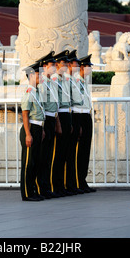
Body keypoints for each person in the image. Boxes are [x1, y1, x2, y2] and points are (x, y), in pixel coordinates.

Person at [36, 51, 62, 199]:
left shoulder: (52, 83)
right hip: (44, 121)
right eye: (52, 65)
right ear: (45, 66)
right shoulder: (41, 85)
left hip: (52, 119)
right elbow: (41, 106)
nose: (54, 67)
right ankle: (42, 187)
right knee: (43, 156)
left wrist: (57, 123)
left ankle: (47, 186)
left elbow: (55, 105)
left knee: (49, 156)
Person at [19, 61, 45, 201]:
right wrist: (28, 134)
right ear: (31, 76)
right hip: (30, 129)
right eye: (39, 74)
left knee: (35, 162)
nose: (41, 77)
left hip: (37, 128)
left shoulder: (36, 92)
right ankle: (27, 193)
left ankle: (33, 190)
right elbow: (25, 114)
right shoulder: (29, 92)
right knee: (28, 163)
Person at [50, 50, 73, 197]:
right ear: (57, 64)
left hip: (66, 115)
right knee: (56, 154)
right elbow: (55, 104)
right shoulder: (53, 80)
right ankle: (54, 185)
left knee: (64, 153)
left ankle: (62, 185)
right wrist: (58, 123)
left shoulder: (64, 80)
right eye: (64, 63)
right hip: (58, 116)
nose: (66, 65)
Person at [73, 54, 96, 193]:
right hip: (79, 117)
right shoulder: (75, 82)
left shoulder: (83, 82)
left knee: (85, 150)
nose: (90, 69)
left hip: (86, 116)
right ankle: (77, 181)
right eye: (88, 66)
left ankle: (82, 180)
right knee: (79, 152)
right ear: (82, 67)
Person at [65, 49, 83, 195]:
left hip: (73, 116)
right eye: (76, 63)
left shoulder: (72, 80)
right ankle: (65, 185)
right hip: (67, 117)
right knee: (66, 154)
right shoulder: (64, 80)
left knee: (71, 154)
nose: (78, 66)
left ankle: (72, 184)